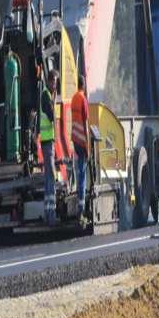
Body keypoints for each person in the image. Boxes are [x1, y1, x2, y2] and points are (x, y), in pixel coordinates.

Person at [40, 70, 59, 226]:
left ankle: (48, 211)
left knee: (49, 176)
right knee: (51, 176)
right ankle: (51, 214)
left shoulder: (47, 95)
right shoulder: (46, 96)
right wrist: (54, 101)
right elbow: (52, 116)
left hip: (48, 142)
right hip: (47, 142)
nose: (55, 85)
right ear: (50, 81)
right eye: (54, 82)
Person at [71, 75, 90, 220]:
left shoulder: (73, 98)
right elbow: (86, 124)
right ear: (83, 85)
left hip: (75, 139)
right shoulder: (83, 100)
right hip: (82, 141)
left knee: (79, 171)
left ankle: (80, 200)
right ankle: (81, 206)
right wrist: (88, 147)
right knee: (83, 173)